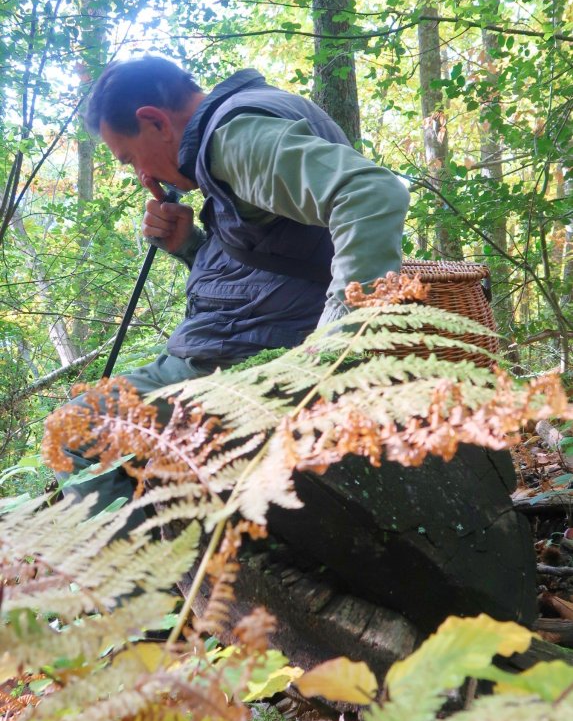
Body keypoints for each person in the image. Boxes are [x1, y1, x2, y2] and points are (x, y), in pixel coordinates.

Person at [58, 56, 410, 526]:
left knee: (74, 432)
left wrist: (336, 342)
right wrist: (190, 246)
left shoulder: (232, 136)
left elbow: (371, 194)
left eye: (130, 158)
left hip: (241, 363)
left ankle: (141, 572)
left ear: (155, 121)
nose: (143, 176)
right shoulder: (235, 128)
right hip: (234, 348)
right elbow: (280, 260)